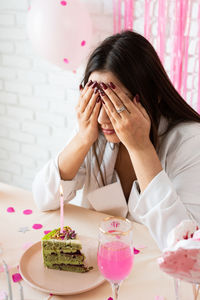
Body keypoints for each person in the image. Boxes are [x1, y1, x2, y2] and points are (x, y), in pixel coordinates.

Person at [32, 30, 200, 250]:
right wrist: (83, 139)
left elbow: (185, 245)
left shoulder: (189, 140)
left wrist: (140, 148)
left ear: (154, 96)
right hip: (101, 266)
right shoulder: (94, 128)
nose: (102, 117)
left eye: (115, 104)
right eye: (96, 101)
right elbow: (45, 198)